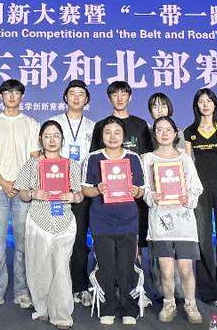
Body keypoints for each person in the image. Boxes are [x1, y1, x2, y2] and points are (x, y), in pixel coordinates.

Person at [15, 120, 84, 330]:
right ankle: (43, 307)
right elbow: (22, 194)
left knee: (62, 267)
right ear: (41, 139)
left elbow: (80, 194)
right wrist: (33, 193)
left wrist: (74, 196)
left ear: (62, 139)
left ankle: (61, 314)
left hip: (64, 221)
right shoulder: (32, 164)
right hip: (38, 220)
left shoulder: (71, 165)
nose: (52, 140)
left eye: (56, 136)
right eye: (47, 136)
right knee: (39, 267)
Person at [90, 81, 154, 306]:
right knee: (106, 250)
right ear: (109, 98)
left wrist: (139, 189)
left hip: (132, 196)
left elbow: (146, 159)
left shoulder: (141, 125)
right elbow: (96, 159)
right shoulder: (100, 126)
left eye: (123, 94)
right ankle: (110, 292)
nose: (119, 98)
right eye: (115, 94)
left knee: (133, 246)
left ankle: (133, 291)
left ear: (130, 97)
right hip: (105, 200)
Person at [0, 79, 40, 310]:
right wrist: (4, 183)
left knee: (24, 245)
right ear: (1, 96)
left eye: (16, 92)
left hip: (23, 192)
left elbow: (35, 157)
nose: (12, 96)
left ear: (22, 96)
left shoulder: (31, 124)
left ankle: (22, 292)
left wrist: (20, 183)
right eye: (7, 92)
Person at [83, 116, 146, 326]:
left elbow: (142, 189)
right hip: (101, 221)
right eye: (108, 132)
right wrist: (97, 190)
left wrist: (137, 191)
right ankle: (107, 306)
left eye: (117, 133)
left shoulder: (133, 158)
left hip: (128, 220)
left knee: (128, 267)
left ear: (123, 136)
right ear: (102, 136)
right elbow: (85, 190)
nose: (112, 137)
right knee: (106, 267)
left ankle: (129, 308)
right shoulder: (93, 158)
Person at [142, 116, 204, 325]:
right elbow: (144, 189)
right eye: (159, 130)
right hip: (160, 223)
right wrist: (152, 196)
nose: (164, 133)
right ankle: (169, 304)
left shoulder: (185, 159)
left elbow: (197, 187)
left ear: (175, 133)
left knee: (186, 269)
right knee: (166, 270)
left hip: (184, 223)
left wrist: (189, 198)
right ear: (155, 134)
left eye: (168, 129)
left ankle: (190, 304)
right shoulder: (148, 159)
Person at [184, 88, 217, 307]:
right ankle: (209, 291)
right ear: (196, 105)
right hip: (199, 188)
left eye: (209, 101)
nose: (205, 105)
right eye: (201, 101)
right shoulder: (190, 131)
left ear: (215, 104)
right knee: (203, 239)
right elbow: (187, 162)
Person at [48, 80, 95, 307]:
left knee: (79, 241)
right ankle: (55, 287)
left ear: (86, 99)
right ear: (65, 97)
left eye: (81, 94)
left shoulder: (94, 127)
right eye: (72, 93)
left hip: (81, 191)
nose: (76, 97)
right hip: (56, 191)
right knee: (55, 240)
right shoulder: (54, 123)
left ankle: (80, 286)